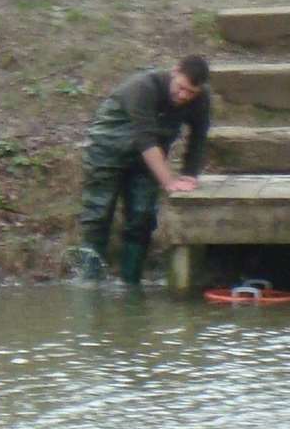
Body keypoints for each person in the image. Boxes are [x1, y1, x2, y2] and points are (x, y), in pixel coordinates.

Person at [75, 56, 212, 283]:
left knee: (142, 217)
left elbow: (198, 138)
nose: (184, 96)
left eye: (191, 93)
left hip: (148, 158)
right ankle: (89, 282)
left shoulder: (201, 99)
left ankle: (131, 282)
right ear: (174, 71)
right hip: (108, 149)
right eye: (181, 88)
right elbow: (145, 140)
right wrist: (168, 182)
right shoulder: (143, 87)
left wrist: (189, 174)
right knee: (98, 215)